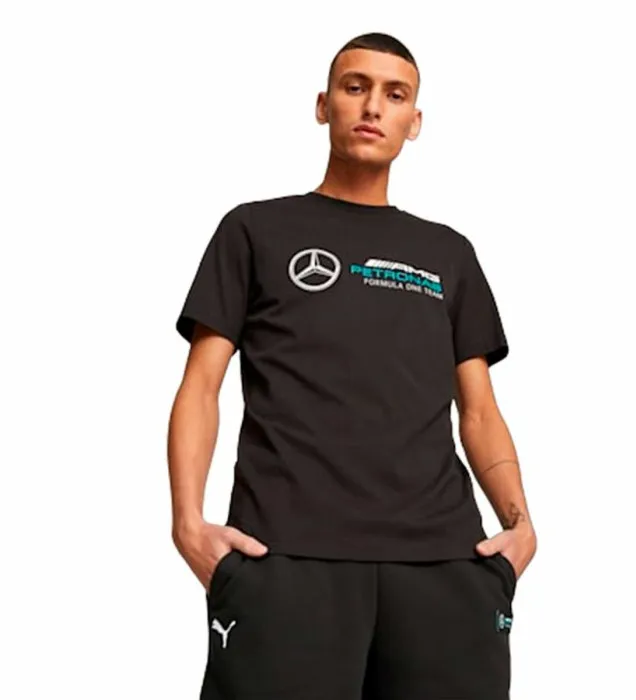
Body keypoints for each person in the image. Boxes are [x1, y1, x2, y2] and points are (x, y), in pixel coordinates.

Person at [169, 31, 537, 700]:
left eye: (395, 95)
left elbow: (480, 410)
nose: (372, 107)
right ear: (324, 105)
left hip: (444, 566)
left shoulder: (448, 253)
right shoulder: (255, 231)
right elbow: (201, 387)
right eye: (355, 87)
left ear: (414, 122)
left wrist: (519, 525)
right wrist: (188, 525)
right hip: (285, 561)